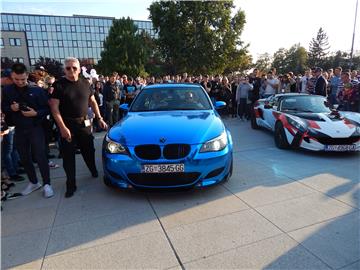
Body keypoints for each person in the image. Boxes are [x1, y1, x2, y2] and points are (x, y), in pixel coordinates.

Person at [49, 57, 107, 198]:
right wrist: (62, 127)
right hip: (67, 125)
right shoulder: (59, 85)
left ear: (79, 69)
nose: (71, 70)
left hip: (84, 125)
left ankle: (92, 169)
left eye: (74, 68)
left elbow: (92, 101)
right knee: (68, 157)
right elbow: (54, 108)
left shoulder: (86, 83)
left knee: (89, 150)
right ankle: (71, 184)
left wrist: (99, 118)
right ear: (64, 70)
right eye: (68, 68)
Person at [1, 63, 54, 198]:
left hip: (35, 127)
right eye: (16, 79)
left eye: (23, 80)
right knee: (24, 157)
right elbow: (4, 107)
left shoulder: (36, 89)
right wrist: (11, 109)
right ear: (12, 77)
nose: (20, 82)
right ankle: (33, 182)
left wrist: (35, 113)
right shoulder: (7, 90)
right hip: (18, 128)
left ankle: (47, 184)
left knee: (40, 156)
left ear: (27, 76)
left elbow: (47, 109)